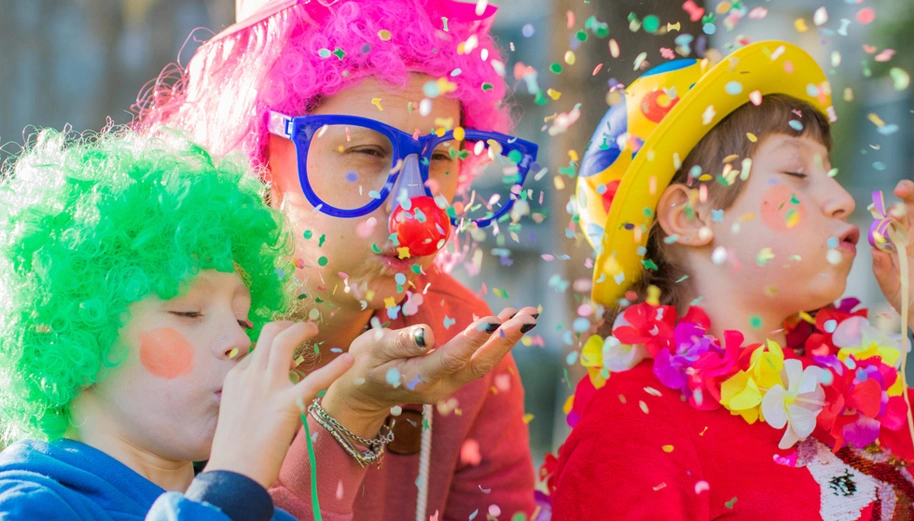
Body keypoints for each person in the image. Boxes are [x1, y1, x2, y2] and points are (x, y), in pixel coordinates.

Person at [545, 41, 914, 519]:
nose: (843, 198)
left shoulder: (874, 404)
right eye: (797, 172)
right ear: (691, 215)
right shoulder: (632, 427)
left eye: (831, 172)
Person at [133, 1, 539, 519]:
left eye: (439, 158)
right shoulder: (168, 329)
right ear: (262, 155)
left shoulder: (467, 344)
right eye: (368, 152)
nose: (417, 214)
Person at [0, 128, 357, 520]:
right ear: (67, 337)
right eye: (189, 312)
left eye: (243, 318)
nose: (240, 339)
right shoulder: (26, 505)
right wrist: (229, 486)